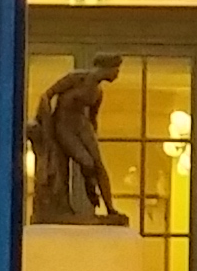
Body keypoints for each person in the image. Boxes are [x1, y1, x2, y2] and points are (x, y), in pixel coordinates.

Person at [27, 53, 129, 224]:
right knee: (86, 162)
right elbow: (47, 95)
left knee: (99, 164)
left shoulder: (98, 92)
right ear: (106, 68)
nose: (117, 74)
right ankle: (90, 187)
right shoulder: (76, 78)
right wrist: (44, 122)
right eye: (116, 70)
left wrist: (93, 134)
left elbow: (93, 117)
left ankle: (110, 208)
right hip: (63, 125)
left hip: (82, 125)